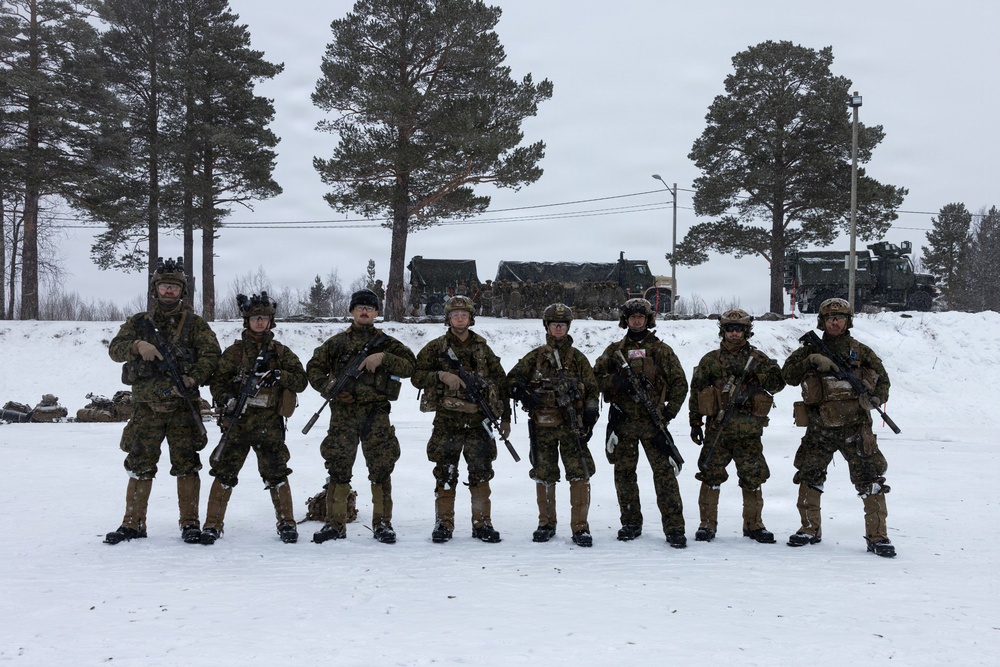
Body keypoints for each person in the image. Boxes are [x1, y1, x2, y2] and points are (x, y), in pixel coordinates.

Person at [104, 257, 221, 545]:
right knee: (140, 463)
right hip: (146, 407)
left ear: (183, 291)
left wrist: (192, 379)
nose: (169, 292)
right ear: (155, 289)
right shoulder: (139, 323)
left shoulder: (195, 324)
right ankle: (133, 522)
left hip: (182, 406)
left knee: (187, 464)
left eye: (174, 287)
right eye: (164, 286)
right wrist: (136, 345)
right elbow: (114, 350)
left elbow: (212, 356)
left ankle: (190, 523)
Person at [782, 297, 896, 557]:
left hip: (855, 428)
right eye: (830, 318)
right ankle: (809, 529)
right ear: (822, 321)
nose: (835, 322)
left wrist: (875, 399)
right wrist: (811, 360)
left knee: (870, 480)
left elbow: (883, 381)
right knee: (809, 475)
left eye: (840, 318)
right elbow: (787, 377)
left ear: (848, 321)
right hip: (820, 428)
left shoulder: (861, 351)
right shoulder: (810, 349)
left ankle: (878, 536)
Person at [306, 289, 415, 544]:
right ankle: (335, 524)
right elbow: (314, 368)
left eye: (370, 308)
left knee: (381, 468)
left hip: (375, 414)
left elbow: (410, 365)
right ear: (352, 312)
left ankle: (383, 524)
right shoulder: (336, 343)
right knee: (338, 467)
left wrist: (384, 357)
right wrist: (329, 388)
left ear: (376, 313)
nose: (365, 311)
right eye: (360, 307)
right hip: (343, 414)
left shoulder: (386, 342)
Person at [203, 292, 308, 544]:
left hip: (269, 424)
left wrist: (279, 375)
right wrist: (227, 399)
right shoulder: (234, 353)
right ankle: (212, 525)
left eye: (264, 318)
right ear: (246, 321)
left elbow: (302, 381)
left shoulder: (281, 353)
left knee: (277, 473)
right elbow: (217, 382)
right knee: (224, 472)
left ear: (271, 321)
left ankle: (287, 523)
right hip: (237, 423)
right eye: (254, 318)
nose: (259, 322)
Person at [411, 295, 511, 543]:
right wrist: (440, 375)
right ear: (448, 318)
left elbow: (501, 381)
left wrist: (505, 416)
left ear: (470, 318)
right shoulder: (436, 347)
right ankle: (444, 524)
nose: (459, 318)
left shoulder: (482, 348)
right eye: (455, 315)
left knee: (481, 473)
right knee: (445, 472)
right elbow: (415, 375)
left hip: (478, 422)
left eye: (463, 315)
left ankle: (482, 523)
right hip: (447, 422)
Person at [593, 298, 689, 548]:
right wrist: (615, 382)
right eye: (632, 316)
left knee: (665, 474)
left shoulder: (660, 350)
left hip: (652, 422)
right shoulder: (615, 350)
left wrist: (669, 414)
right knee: (624, 474)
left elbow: (680, 383)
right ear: (626, 320)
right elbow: (595, 378)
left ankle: (674, 528)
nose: (637, 320)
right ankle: (631, 523)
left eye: (641, 317)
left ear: (648, 319)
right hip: (623, 421)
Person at [688, 309, 785, 543]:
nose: (734, 333)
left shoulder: (759, 359)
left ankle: (754, 524)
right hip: (718, 430)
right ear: (723, 330)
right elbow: (697, 390)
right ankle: (707, 524)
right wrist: (695, 421)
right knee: (710, 475)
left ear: (746, 331)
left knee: (753, 477)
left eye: (739, 329)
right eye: (730, 328)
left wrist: (759, 376)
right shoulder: (711, 360)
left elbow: (778, 383)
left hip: (749, 431)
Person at [507, 304, 599, 547]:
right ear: (547, 326)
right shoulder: (535, 357)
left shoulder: (578, 358)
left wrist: (590, 415)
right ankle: (546, 523)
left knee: (579, 473)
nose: (558, 328)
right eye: (554, 324)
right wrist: (524, 394)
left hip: (572, 427)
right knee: (543, 474)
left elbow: (592, 389)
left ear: (568, 327)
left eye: (563, 324)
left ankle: (580, 527)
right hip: (542, 426)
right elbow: (511, 380)